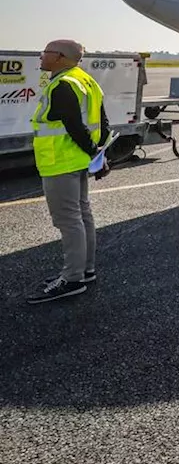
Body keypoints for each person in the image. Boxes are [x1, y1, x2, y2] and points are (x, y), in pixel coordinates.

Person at [27, 39, 111, 304]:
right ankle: (85, 271)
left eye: (45, 53)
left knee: (68, 220)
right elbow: (104, 123)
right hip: (77, 161)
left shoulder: (64, 84)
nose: (41, 56)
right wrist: (98, 154)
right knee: (82, 215)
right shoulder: (86, 80)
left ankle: (72, 278)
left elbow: (75, 126)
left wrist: (93, 152)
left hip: (60, 160)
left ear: (60, 57)